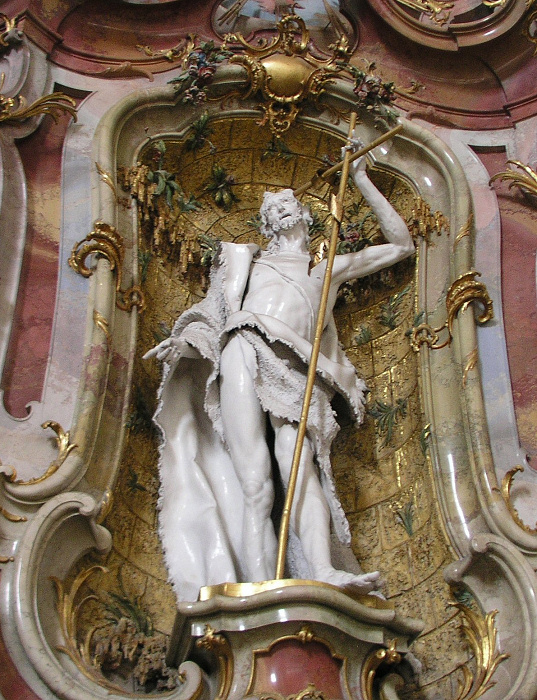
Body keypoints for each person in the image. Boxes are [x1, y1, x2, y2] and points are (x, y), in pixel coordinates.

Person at [145, 142, 415, 603]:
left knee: (301, 468)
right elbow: (215, 315)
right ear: (267, 224)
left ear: (306, 215)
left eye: (289, 202)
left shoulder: (324, 270)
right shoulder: (247, 263)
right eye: (273, 206)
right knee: (256, 485)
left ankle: (323, 569)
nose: (281, 207)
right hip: (243, 351)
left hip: (294, 368)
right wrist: (185, 343)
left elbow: (402, 245)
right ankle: (259, 591)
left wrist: (361, 178)